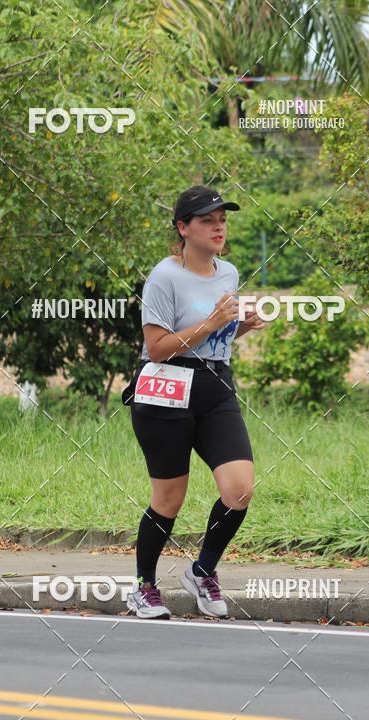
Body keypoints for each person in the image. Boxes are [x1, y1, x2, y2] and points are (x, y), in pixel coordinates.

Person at [122, 185, 265, 619]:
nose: (218, 226)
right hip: (165, 390)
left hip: (214, 386)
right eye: (207, 219)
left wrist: (240, 327)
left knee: (240, 489)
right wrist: (212, 321)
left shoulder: (229, 273)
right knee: (169, 499)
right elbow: (159, 348)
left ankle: (202, 571)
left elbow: (212, 341)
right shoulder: (164, 276)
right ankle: (143, 586)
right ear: (183, 228)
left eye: (222, 218)